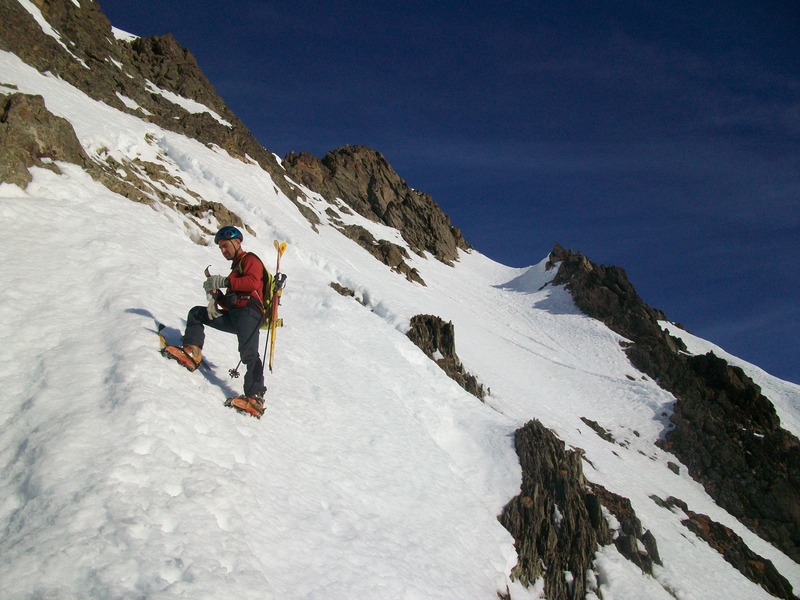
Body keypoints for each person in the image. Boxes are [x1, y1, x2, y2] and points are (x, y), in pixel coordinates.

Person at [164, 226, 267, 416]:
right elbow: (231, 301)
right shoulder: (235, 270)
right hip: (236, 315)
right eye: (220, 247)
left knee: (249, 353)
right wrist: (217, 296)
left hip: (249, 314)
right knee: (197, 313)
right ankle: (192, 351)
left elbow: (252, 282)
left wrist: (225, 283)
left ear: (237, 243)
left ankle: (255, 398)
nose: (223, 250)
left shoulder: (250, 260)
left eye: (226, 246)